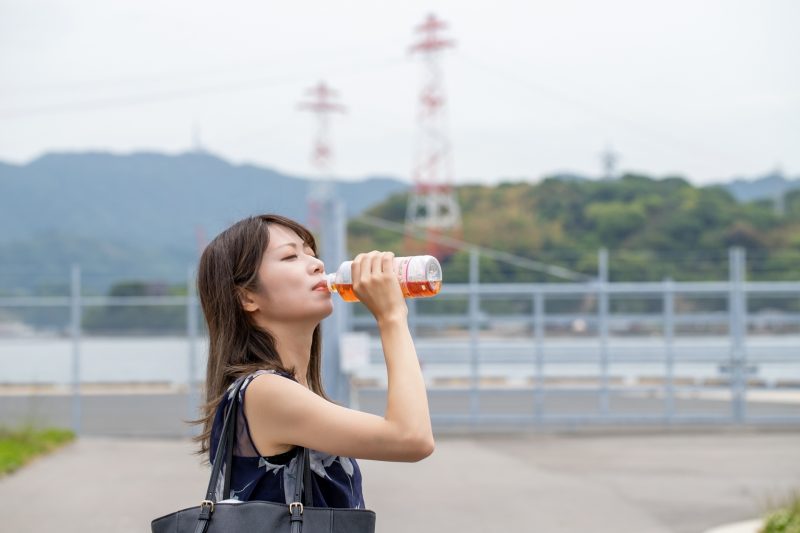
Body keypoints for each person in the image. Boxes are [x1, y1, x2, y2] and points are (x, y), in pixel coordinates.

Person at [189, 213, 434, 509]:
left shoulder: (287, 388)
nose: (317, 264)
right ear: (247, 297)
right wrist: (392, 316)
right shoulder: (265, 391)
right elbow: (411, 438)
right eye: (290, 256)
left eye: (312, 253)